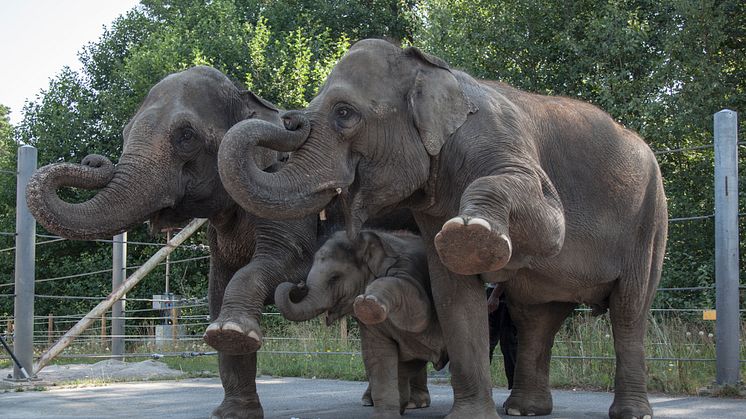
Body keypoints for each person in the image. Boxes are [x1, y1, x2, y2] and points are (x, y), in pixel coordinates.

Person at [487, 282, 518, 389]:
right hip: (496, 291)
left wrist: (495, 295)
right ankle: (481, 385)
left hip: (504, 293)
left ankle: (516, 387)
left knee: (508, 343)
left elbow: (508, 274)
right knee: (486, 343)